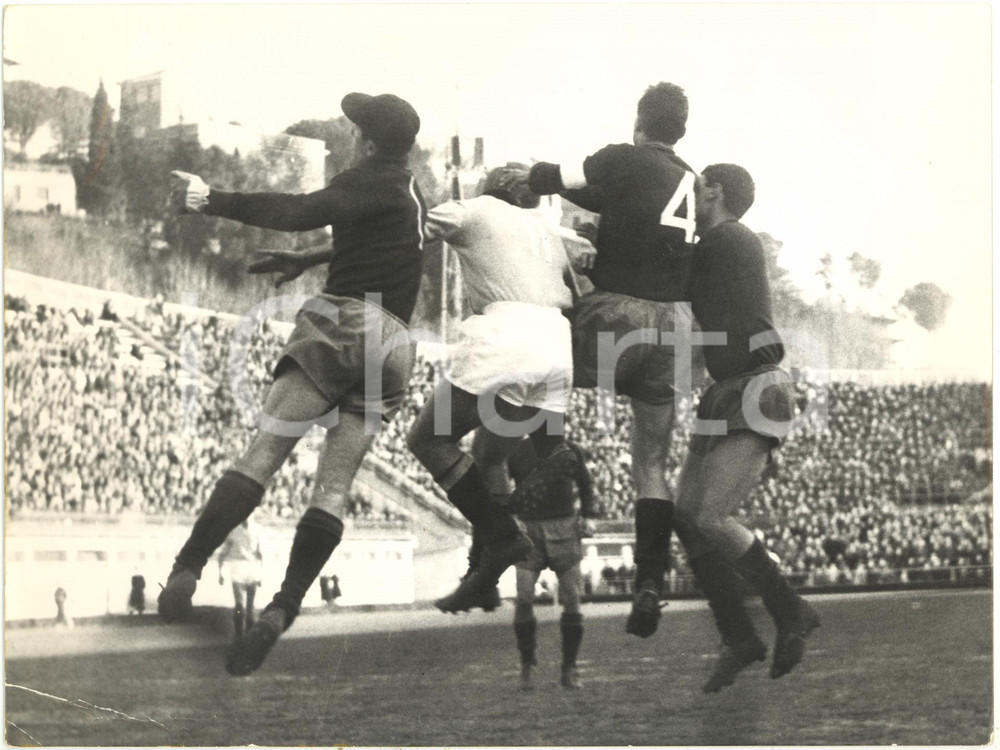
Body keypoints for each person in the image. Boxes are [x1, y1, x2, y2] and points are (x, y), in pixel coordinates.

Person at [157, 91, 425, 678]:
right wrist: (308, 260)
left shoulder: (366, 178)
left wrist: (207, 198)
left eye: (355, 130)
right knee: (333, 488)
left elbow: (298, 210)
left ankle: (187, 567)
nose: (349, 136)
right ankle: (283, 607)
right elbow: (379, 242)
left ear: (369, 142)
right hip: (395, 344)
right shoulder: (409, 191)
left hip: (345, 321)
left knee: (264, 454)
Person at [527, 82, 700, 638]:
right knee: (650, 464)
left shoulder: (623, 158)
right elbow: (626, 205)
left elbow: (549, 178)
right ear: (681, 131)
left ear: (639, 123)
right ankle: (650, 579)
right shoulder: (693, 181)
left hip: (617, 313)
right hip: (676, 328)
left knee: (534, 361)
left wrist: (523, 177)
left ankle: (504, 530)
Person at [406, 163, 592, 614]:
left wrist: (317, 255)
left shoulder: (478, 209)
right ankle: (483, 578)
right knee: (490, 458)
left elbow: (407, 231)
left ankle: (503, 537)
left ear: (495, 187)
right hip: (556, 344)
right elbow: (582, 282)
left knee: (428, 438)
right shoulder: (549, 230)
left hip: (508, 333)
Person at [673, 163, 819, 693]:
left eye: (696, 188)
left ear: (714, 191)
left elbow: (667, 272)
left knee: (711, 517)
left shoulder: (730, 237)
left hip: (756, 384)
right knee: (687, 515)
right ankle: (738, 635)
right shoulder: (721, 245)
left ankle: (790, 610)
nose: (688, 196)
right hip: (730, 387)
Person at [501, 437, 599, 691]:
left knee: (572, 598)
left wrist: (589, 516)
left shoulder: (571, 450)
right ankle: (527, 663)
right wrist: (509, 515)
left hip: (565, 527)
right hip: (529, 531)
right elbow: (500, 486)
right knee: (524, 597)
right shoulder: (517, 451)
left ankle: (569, 667)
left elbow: (586, 484)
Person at [217, 519, 264, 637]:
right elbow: (260, 554)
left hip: (245, 568)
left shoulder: (237, 530)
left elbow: (222, 554)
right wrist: (221, 573)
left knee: (244, 604)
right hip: (245, 568)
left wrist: (220, 572)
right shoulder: (252, 530)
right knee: (245, 604)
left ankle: (243, 632)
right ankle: (244, 632)